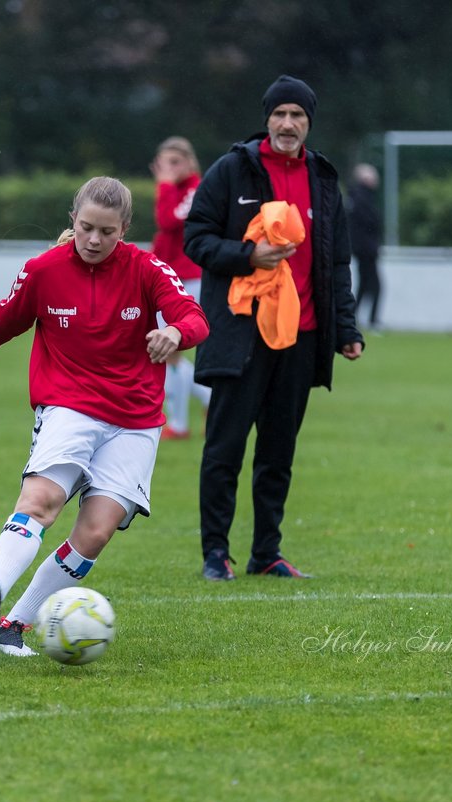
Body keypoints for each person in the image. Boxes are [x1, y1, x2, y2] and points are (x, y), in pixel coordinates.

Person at [0, 176, 208, 655]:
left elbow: (193, 316)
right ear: (72, 222)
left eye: (107, 231)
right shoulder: (44, 270)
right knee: (41, 500)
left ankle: (10, 629)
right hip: (69, 404)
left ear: (124, 229)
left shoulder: (147, 269)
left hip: (135, 418)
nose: (95, 241)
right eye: (86, 229)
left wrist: (176, 335)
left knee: (96, 531)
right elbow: (7, 317)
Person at [184, 74, 364, 582]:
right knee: (224, 449)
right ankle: (215, 554)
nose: (288, 124)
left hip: (302, 335)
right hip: (241, 332)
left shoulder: (323, 178)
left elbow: (337, 263)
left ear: (309, 124)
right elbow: (195, 239)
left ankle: (267, 553)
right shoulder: (231, 171)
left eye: (298, 116)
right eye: (280, 114)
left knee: (278, 452)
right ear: (266, 119)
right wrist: (248, 255)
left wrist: (345, 329)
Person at [151, 136, 212, 439]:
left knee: (169, 351)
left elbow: (167, 221)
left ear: (190, 162)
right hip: (173, 277)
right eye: (164, 163)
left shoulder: (193, 189)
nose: (169, 169)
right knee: (168, 353)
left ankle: (179, 424)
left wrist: (164, 184)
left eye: (176, 162)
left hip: (189, 279)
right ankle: (205, 403)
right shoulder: (177, 189)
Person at [348, 163, 384, 331]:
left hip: (363, 249)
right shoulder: (362, 198)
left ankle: (353, 318)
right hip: (367, 250)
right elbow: (369, 224)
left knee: (364, 285)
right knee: (376, 285)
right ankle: (373, 321)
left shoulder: (356, 198)